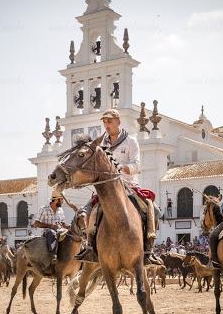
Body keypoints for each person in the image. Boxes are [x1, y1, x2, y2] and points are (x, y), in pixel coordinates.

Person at [74, 108, 161, 265]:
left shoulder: (131, 142)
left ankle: (149, 251)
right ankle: (90, 249)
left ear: (118, 122)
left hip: (128, 185)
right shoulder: (100, 143)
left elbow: (137, 165)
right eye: (104, 121)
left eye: (110, 121)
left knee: (155, 210)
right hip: (106, 189)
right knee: (86, 211)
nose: (106, 124)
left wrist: (120, 168)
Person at [32, 190, 67, 263]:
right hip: (47, 233)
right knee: (52, 232)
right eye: (62, 199)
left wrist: (69, 227)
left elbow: (63, 224)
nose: (63, 201)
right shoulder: (44, 209)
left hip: (60, 231)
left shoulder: (60, 210)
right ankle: (53, 255)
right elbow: (36, 224)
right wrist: (50, 226)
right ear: (56, 200)